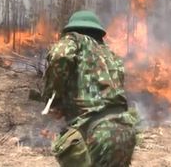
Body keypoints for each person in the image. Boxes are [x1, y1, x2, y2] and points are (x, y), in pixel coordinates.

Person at [42, 10, 138, 167]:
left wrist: (53, 98)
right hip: (125, 130)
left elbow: (61, 55)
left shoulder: (74, 39)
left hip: (96, 132)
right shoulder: (110, 55)